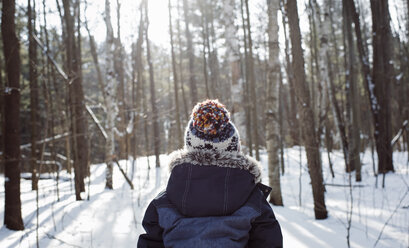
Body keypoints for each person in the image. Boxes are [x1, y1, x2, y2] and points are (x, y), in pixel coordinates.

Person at [138, 99, 282, 248]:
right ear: (234, 148)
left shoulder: (164, 200)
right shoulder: (252, 199)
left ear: (189, 146)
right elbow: (269, 241)